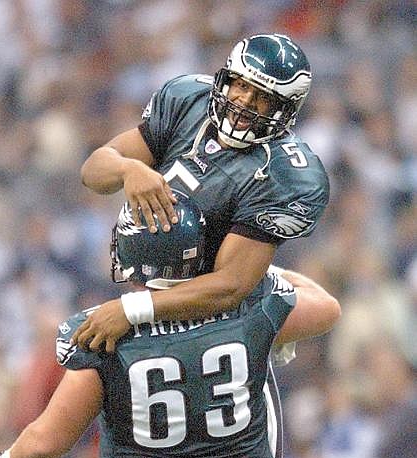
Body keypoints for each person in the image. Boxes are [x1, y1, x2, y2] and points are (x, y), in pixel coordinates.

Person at [0, 194, 340, 458]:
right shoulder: (246, 308)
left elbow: (45, 442)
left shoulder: (104, 329)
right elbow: (326, 307)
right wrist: (246, 269)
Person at [73, 33, 330, 353]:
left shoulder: (285, 174)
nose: (244, 102)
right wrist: (129, 169)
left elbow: (230, 286)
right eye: (241, 85)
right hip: (152, 276)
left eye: (262, 97)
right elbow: (93, 171)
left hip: (217, 308)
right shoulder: (188, 101)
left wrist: (134, 310)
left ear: (285, 111)